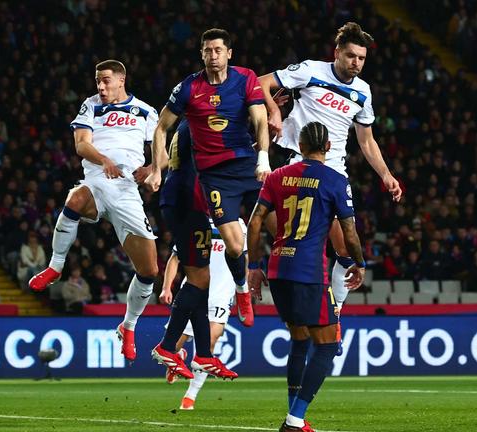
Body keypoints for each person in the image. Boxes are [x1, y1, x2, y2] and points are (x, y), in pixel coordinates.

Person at [258, 22, 402, 348]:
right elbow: (261, 83)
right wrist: (273, 112)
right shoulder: (310, 71)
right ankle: (265, 276)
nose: (356, 63)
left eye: (361, 58)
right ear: (337, 52)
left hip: (334, 171)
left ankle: (332, 318)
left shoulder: (363, 92)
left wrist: (386, 175)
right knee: (276, 228)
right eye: (351, 55)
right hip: (297, 162)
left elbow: (366, 140)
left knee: (346, 252)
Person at [145, 28, 270, 353]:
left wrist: (264, 156)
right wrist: (157, 168)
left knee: (274, 218)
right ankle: (242, 288)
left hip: (246, 163)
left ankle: (265, 272)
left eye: (218, 50)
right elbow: (161, 126)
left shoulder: (245, 79)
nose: (213, 55)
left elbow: (259, 119)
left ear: (229, 52)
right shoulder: (188, 88)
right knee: (233, 241)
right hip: (214, 174)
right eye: (207, 50)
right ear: (202, 54)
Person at [28, 59, 159, 363]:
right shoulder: (91, 106)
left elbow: (163, 150)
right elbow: (81, 145)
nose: (100, 87)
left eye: (106, 81)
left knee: (150, 271)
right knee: (75, 199)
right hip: (98, 181)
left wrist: (153, 168)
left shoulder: (145, 111)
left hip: (127, 191)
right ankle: (55, 267)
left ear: (122, 79)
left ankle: (128, 327)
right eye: (98, 81)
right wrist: (104, 161)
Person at [246, 122, 365, 432]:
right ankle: (295, 420)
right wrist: (360, 262)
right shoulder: (336, 180)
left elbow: (255, 221)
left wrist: (253, 265)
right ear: (327, 146)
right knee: (327, 345)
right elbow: (349, 232)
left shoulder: (276, 177)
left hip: (278, 270)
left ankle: (295, 416)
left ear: (299, 145)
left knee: (300, 340)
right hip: (309, 273)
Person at [147, 119, 245, 382]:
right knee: (200, 279)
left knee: (200, 280)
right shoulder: (204, 122)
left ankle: (203, 353)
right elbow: (224, 158)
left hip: (184, 199)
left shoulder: (186, 123)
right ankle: (167, 347)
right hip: (188, 200)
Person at [159, 219, 251, 409]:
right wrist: (166, 288)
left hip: (222, 294)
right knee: (172, 347)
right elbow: (175, 257)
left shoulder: (238, 224)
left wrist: (244, 290)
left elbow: (244, 260)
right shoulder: (195, 220)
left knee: (208, 344)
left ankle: (190, 397)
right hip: (195, 289)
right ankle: (179, 354)